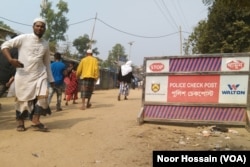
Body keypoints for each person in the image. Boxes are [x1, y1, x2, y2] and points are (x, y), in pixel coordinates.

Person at [1, 17, 54, 131]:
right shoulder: (23, 38)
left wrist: (51, 79)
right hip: (23, 76)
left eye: (42, 26)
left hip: (40, 75)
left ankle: (35, 120)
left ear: (45, 29)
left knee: (43, 97)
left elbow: (47, 64)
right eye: (37, 26)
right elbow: (4, 46)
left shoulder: (45, 44)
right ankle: (20, 123)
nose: (39, 28)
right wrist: (11, 60)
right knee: (22, 101)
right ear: (33, 27)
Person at [0, 35, 18, 109]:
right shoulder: (16, 51)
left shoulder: (3, 50)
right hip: (7, 79)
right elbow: (14, 67)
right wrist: (10, 81)